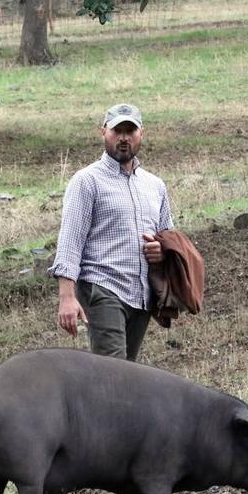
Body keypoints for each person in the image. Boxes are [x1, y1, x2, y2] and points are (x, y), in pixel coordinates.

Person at [48, 103, 173, 361]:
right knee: (113, 374)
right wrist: (67, 297)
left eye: (130, 131)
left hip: (141, 294)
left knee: (126, 373)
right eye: (117, 131)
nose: (124, 138)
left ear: (141, 134)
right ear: (103, 132)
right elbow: (70, 240)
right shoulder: (87, 181)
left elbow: (168, 236)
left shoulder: (155, 186)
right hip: (103, 287)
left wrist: (161, 251)